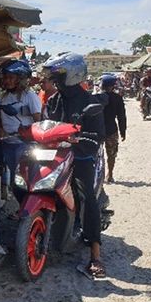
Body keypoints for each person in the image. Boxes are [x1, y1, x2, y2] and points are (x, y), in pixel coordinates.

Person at [43, 53, 107, 278]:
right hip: (56, 155)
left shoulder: (91, 103)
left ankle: (95, 254)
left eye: (59, 75)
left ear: (73, 74)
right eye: (54, 76)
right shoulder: (53, 100)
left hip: (80, 157)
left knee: (86, 196)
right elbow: (47, 126)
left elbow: (98, 136)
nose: (55, 80)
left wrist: (79, 141)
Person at [0, 59, 41, 201]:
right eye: (5, 78)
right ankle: (23, 208)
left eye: (11, 78)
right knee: (15, 181)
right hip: (8, 144)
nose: (7, 81)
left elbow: (38, 121)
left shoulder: (30, 97)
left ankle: (28, 211)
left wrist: (28, 132)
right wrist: (0, 129)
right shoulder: (4, 97)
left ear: (20, 79)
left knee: (26, 180)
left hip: (25, 145)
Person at [100, 74, 127, 183]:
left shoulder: (96, 97)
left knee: (96, 153)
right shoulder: (117, 98)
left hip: (97, 129)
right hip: (111, 129)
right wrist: (123, 131)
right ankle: (109, 174)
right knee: (111, 153)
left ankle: (98, 175)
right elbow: (121, 116)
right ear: (113, 86)